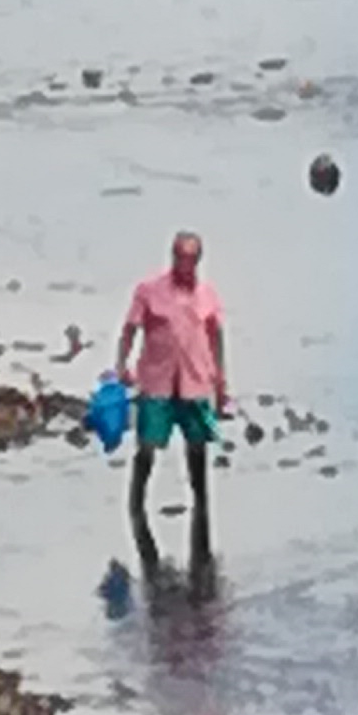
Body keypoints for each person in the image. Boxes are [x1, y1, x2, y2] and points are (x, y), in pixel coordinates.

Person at [115, 228, 228, 538]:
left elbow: (216, 337)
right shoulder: (149, 291)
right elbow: (130, 329)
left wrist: (221, 381)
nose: (185, 263)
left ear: (199, 259)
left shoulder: (207, 294)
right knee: (147, 448)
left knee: (197, 449)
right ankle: (135, 507)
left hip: (195, 382)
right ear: (173, 256)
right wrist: (121, 365)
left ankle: (202, 508)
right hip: (157, 383)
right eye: (180, 256)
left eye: (191, 258)